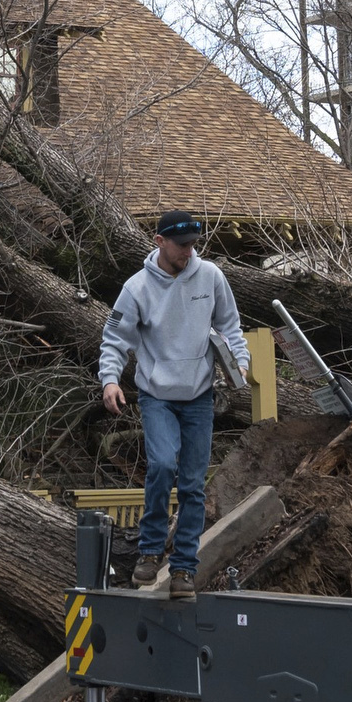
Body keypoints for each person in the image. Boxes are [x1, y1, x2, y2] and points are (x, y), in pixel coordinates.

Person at [97, 210, 249, 600]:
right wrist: (110, 380)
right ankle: (149, 551)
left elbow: (230, 325)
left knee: (194, 485)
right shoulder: (136, 288)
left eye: (193, 244)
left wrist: (239, 361)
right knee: (163, 465)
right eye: (182, 245)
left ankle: (183, 568)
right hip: (157, 396)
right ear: (160, 241)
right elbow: (115, 338)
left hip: (198, 396)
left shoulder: (211, 277)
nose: (189, 252)